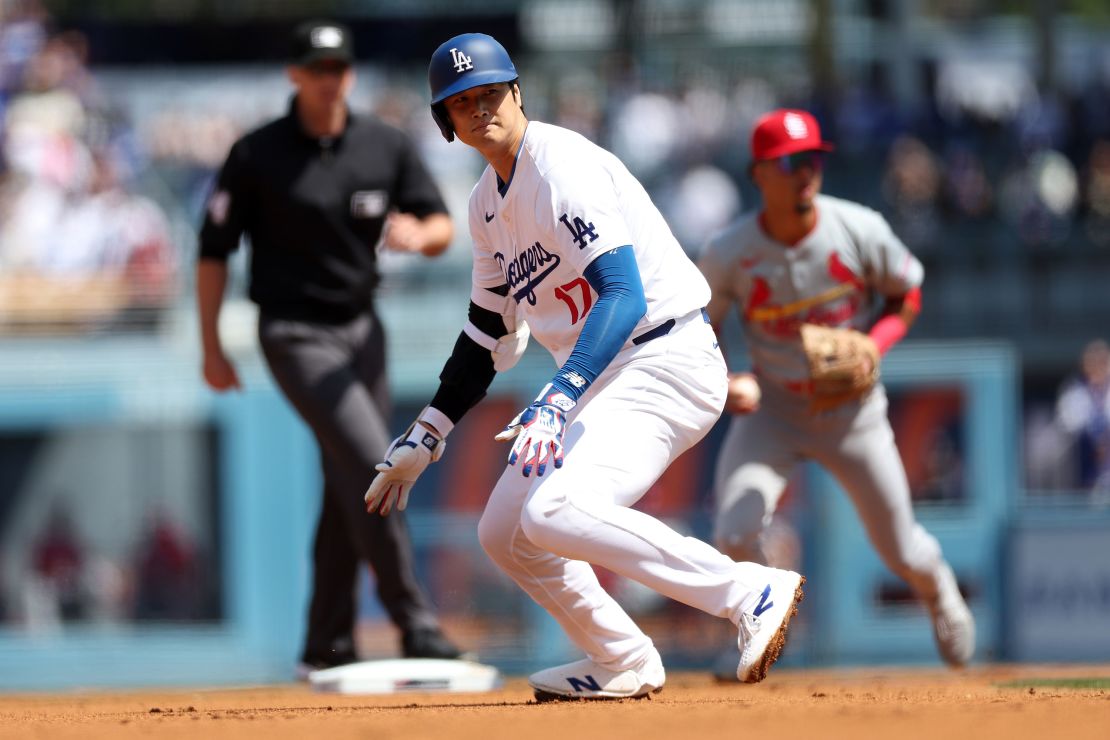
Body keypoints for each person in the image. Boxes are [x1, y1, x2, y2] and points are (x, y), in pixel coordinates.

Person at [363, 33, 805, 701]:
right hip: (607, 374)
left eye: (490, 94)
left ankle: (749, 591)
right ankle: (622, 657)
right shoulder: (486, 205)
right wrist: (427, 433)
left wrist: (558, 397)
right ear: (445, 123)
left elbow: (622, 293)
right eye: (461, 104)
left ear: (517, 93)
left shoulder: (560, 165)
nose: (480, 110)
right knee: (505, 532)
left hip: (665, 355)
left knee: (556, 509)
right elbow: (486, 332)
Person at [196, 20, 463, 674]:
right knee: (377, 463)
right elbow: (212, 251)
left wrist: (417, 235)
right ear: (294, 74)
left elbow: (440, 225)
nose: (329, 79)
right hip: (293, 332)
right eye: (317, 68)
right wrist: (211, 344)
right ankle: (414, 621)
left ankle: (326, 640)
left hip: (364, 329)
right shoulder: (257, 153)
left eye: (339, 67)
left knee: (347, 481)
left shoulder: (383, 145)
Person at [697, 109, 975, 679]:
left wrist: (875, 343)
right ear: (760, 175)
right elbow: (702, 327)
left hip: (853, 413)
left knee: (901, 549)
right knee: (733, 530)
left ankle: (938, 587)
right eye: (791, 163)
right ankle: (758, 623)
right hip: (773, 410)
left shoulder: (858, 227)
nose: (807, 172)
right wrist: (721, 379)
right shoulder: (729, 251)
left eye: (814, 159)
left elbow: (907, 294)